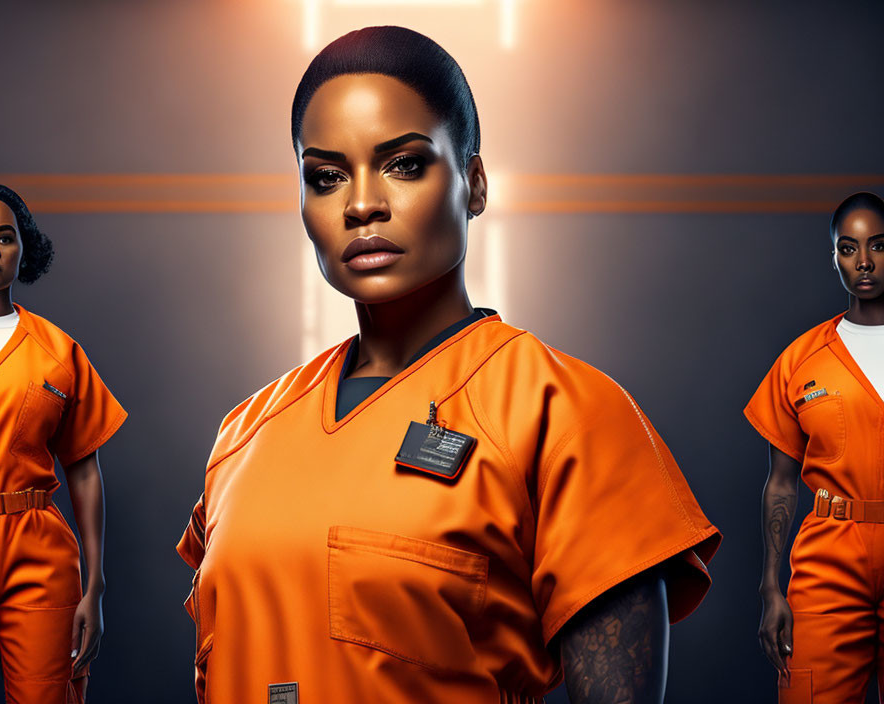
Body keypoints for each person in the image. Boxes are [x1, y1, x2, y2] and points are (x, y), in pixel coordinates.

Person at [177, 26, 720, 704]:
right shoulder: (244, 434)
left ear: (475, 182)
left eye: (403, 164)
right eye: (326, 176)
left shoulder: (565, 414)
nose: (362, 203)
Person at [0, 184, 127, 703]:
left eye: (6, 236)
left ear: (25, 248)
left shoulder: (57, 351)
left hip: (39, 549)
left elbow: (85, 470)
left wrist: (95, 585)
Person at [746, 191, 884, 703]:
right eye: (848, 248)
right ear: (834, 257)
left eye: (878, 245)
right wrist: (771, 588)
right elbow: (780, 484)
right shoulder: (802, 360)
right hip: (829, 559)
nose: (864, 262)